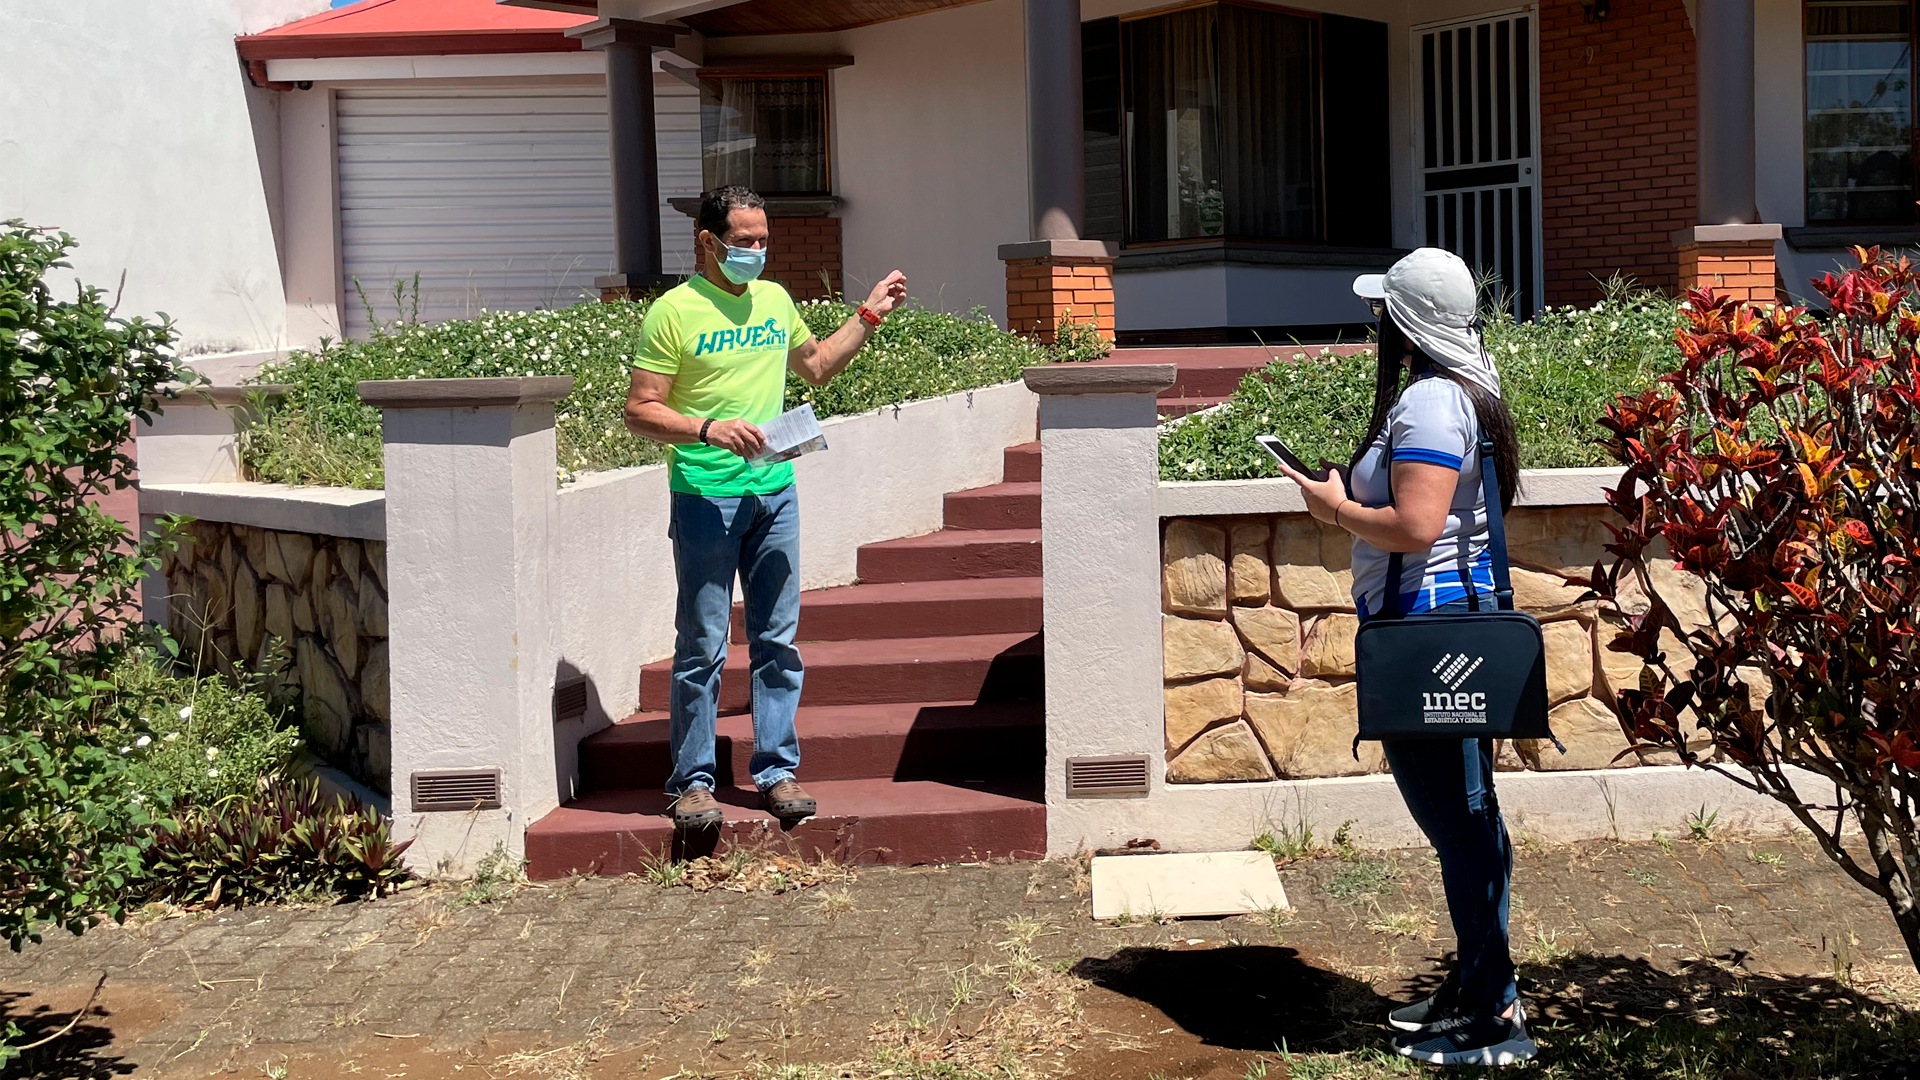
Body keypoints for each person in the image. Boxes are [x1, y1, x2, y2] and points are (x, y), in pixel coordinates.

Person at [1271, 247, 1536, 1067]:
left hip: (1428, 632)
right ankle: (1479, 984)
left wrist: (1336, 506)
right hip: (1454, 625)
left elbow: (1416, 528)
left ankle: (1496, 1018)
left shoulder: (1428, 401)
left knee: (1456, 822)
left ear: (1407, 321)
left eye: (1384, 310)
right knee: (1469, 814)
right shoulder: (1470, 388)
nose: (1376, 322)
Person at [623, 185, 908, 830]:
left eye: (762, 241)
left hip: (773, 491)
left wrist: (866, 315)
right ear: (707, 241)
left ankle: (776, 771)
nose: (756, 251)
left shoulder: (775, 300)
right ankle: (693, 784)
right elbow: (639, 408)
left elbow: (816, 367)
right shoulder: (672, 313)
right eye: (744, 241)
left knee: (777, 640)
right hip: (704, 495)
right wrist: (705, 428)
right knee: (702, 645)